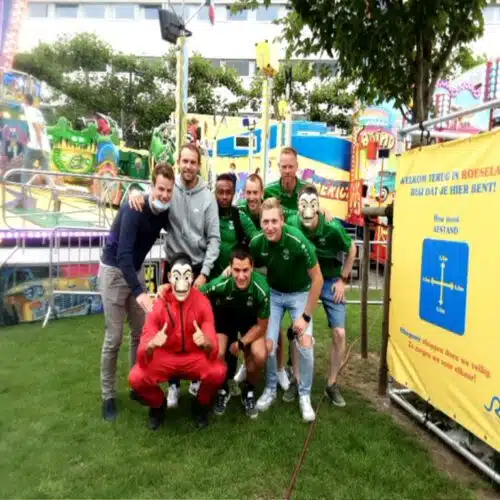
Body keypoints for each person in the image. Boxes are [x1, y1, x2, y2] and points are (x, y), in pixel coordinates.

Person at [128, 143, 220, 408]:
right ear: (179, 162)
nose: (188, 166)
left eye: (193, 162)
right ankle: (173, 385)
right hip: (172, 268)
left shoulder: (208, 198)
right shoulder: (170, 190)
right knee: (169, 326)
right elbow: (152, 196)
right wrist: (133, 192)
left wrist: (204, 273)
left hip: (197, 269)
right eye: (185, 161)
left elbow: (214, 238)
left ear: (199, 165)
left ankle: (195, 377)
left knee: (195, 326)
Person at [99, 162, 174, 421]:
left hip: (136, 270)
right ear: (151, 186)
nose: (164, 194)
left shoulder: (163, 212)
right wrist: (139, 291)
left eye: (169, 191)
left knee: (140, 334)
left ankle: (136, 385)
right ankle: (108, 395)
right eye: (160, 189)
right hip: (114, 271)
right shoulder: (134, 207)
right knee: (114, 338)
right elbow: (123, 255)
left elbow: (179, 230)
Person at [129, 253, 226, 430]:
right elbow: (142, 355)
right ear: (169, 277)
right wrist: (151, 345)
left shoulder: (202, 302)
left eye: (186, 277)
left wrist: (206, 341)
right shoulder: (159, 304)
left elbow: (213, 349)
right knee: (136, 377)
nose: (181, 284)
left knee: (218, 370)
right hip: (166, 357)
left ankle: (201, 404)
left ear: (192, 278)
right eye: (176, 276)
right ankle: (157, 405)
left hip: (193, 357)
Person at [249, 197, 324, 422]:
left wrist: (305, 317)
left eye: (274, 221)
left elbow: (318, 278)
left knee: (305, 342)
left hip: (300, 293)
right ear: (261, 223)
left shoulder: (297, 239)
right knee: (269, 345)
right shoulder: (257, 242)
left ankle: (304, 395)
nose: (270, 227)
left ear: (282, 220)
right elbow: (246, 267)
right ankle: (270, 388)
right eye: (265, 222)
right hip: (274, 294)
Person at [288, 185, 357, 407]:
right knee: (298, 328)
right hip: (306, 279)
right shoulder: (292, 222)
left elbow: (352, 249)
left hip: (329, 280)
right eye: (303, 205)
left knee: (339, 333)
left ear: (318, 206)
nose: (308, 210)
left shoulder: (332, 228)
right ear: (298, 207)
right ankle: (296, 378)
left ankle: (332, 383)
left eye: (312, 205)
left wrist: (343, 280)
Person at [201, 247, 270, 418]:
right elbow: (197, 295)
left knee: (260, 355)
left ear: (252, 267)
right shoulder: (221, 283)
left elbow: (261, 327)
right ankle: (223, 389)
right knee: (218, 353)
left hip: (250, 322)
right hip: (227, 318)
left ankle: (249, 390)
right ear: (230, 268)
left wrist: (241, 343)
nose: (241, 276)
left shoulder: (262, 288)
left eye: (245, 270)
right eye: (236, 270)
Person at [264, 147, 309, 220]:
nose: (287, 171)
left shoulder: (308, 190)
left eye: (290, 167)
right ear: (279, 167)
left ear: (297, 166)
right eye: (284, 167)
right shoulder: (268, 191)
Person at [21, 94, 52, 189]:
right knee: (46, 171)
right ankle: (53, 190)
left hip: (36, 146)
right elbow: (42, 126)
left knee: (25, 169)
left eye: (23, 100)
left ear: (26, 101)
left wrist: (40, 144)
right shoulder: (38, 112)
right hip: (46, 147)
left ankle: (24, 190)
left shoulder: (29, 111)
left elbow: (37, 127)